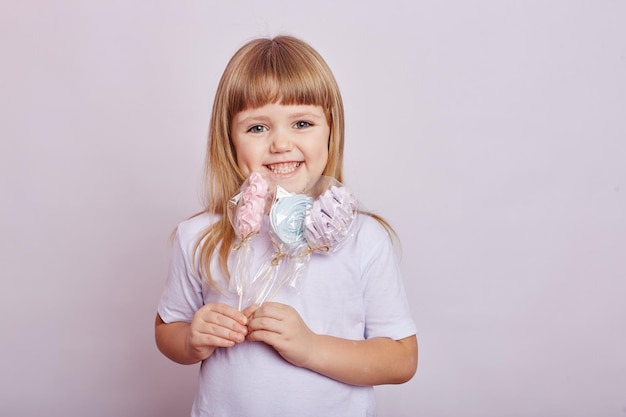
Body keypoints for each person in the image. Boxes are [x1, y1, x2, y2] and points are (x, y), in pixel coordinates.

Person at [155, 35, 418, 417]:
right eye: (257, 128)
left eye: (301, 123)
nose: (281, 143)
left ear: (331, 130)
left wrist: (310, 347)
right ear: (230, 140)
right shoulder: (200, 236)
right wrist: (192, 340)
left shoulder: (364, 240)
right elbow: (167, 331)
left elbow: (401, 359)